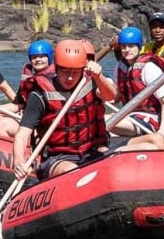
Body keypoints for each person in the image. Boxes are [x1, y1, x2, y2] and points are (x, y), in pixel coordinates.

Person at [11, 38, 118, 180]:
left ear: (82, 69)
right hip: (57, 158)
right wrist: (18, 160)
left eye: (74, 72)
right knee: (72, 171)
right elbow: (22, 135)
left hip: (90, 151)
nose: (69, 78)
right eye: (64, 71)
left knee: (117, 159)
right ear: (56, 67)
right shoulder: (40, 94)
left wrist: (99, 77)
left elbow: (111, 97)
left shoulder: (91, 82)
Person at [109, 26, 164, 151]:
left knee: (101, 120)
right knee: (97, 117)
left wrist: (162, 131)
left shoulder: (149, 68)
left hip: (147, 121)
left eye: (131, 46)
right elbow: (117, 98)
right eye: (123, 46)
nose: (126, 50)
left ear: (139, 47)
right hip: (129, 118)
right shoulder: (119, 68)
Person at [0, 40, 52, 140]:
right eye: (34, 57)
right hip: (29, 123)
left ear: (49, 58)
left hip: (47, 127)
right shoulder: (29, 81)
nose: (37, 60)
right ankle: (14, 152)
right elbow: (18, 105)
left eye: (42, 56)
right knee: (2, 124)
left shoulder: (56, 80)